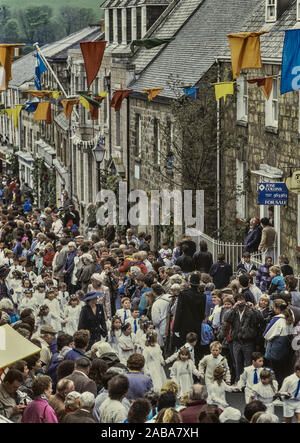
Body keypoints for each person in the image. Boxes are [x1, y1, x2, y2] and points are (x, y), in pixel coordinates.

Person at [226, 294, 264, 382]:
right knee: (237, 363)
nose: (240, 302)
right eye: (238, 300)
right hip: (236, 341)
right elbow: (226, 318)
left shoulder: (250, 311)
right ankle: (239, 382)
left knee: (248, 364)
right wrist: (233, 308)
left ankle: (248, 382)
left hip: (248, 341)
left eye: (242, 300)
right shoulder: (234, 311)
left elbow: (261, 319)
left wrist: (254, 308)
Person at [173, 273, 206, 362]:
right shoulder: (202, 296)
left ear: (189, 283)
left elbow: (179, 311)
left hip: (184, 326)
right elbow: (202, 313)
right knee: (196, 349)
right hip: (196, 326)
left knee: (185, 349)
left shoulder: (183, 294)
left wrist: (175, 327)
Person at [264, 299, 294, 387]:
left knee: (276, 372)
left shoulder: (277, 319)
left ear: (277, 308)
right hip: (286, 349)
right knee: (284, 372)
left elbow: (266, 334)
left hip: (276, 350)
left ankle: (276, 390)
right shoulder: (290, 317)